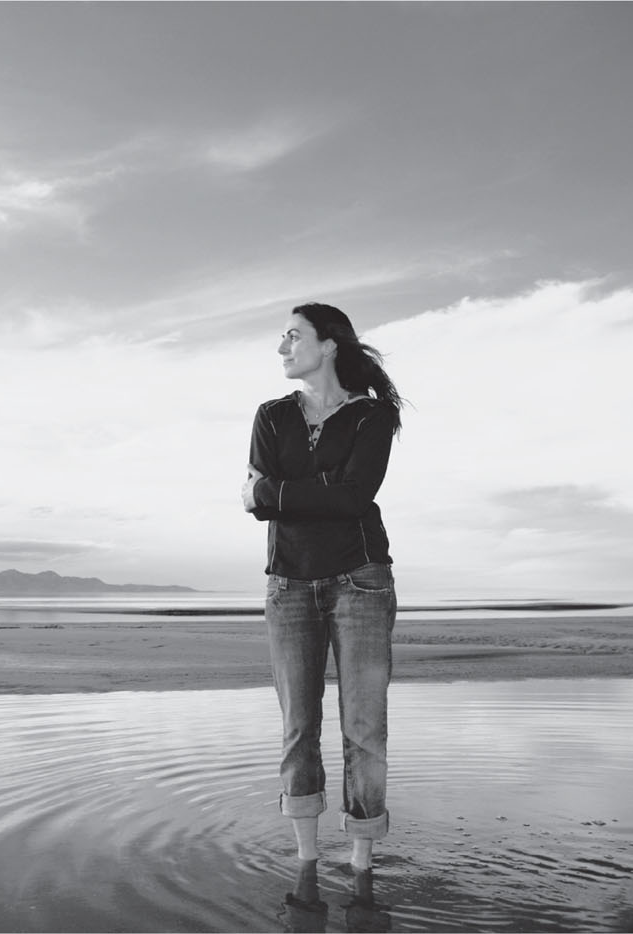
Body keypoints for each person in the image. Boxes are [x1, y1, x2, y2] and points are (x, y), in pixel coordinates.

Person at [242, 302, 403, 871]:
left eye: (293, 336)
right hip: (287, 583)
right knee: (298, 726)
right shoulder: (271, 415)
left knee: (364, 728)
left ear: (329, 344)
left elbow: (353, 498)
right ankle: (307, 861)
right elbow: (258, 504)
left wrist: (281, 491)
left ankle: (361, 862)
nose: (282, 347)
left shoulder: (371, 417)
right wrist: (313, 490)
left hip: (360, 581)